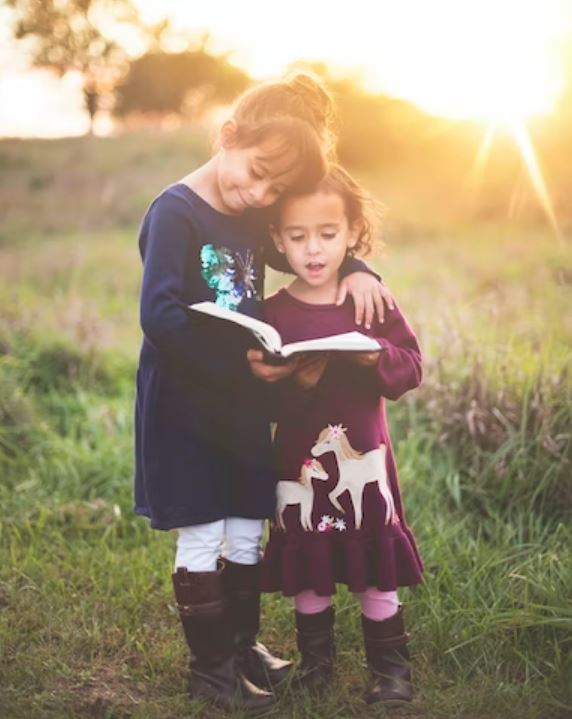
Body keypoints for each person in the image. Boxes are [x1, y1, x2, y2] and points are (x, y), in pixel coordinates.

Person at [133, 75, 392, 712]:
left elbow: (304, 251)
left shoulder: (251, 213)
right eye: (256, 174)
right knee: (202, 530)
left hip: (243, 403)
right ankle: (211, 671)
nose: (260, 194)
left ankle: (242, 647)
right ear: (228, 137)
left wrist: (356, 265)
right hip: (187, 401)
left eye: (275, 189)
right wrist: (237, 364)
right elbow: (160, 317)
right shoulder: (175, 210)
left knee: (248, 525)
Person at [248, 164, 424, 706]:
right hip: (299, 462)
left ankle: (390, 671)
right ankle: (316, 666)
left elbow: (412, 366)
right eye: (297, 237)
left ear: (351, 233)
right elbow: (260, 402)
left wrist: (377, 355)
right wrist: (273, 378)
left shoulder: (369, 300)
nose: (314, 249)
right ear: (278, 239)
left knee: (375, 565)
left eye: (328, 234)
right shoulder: (272, 314)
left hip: (364, 456)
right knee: (308, 565)